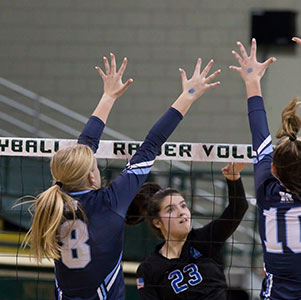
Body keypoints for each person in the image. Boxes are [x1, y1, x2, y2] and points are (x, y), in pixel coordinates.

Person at [23, 53, 221, 300]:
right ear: (92, 178)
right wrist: (187, 95)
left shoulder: (54, 205)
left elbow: (84, 147)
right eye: (96, 166)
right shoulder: (110, 201)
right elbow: (151, 144)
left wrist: (108, 96)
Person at [230, 13, 301, 299]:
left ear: (275, 171)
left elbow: (260, 133)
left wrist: (252, 81)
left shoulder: (268, 192)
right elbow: (262, 138)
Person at [133, 162, 249, 299]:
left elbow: (238, 208)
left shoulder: (205, 239)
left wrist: (233, 177)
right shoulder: (148, 269)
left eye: (183, 206)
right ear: (157, 222)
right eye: (171, 209)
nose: (182, 213)